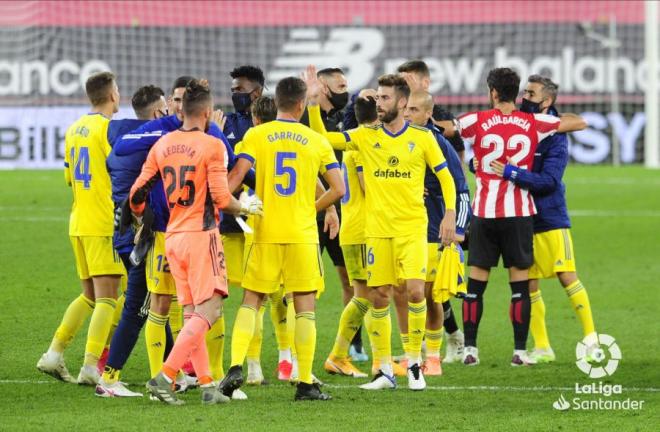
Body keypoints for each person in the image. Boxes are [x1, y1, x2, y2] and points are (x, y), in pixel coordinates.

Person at [306, 68, 457, 391]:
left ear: (403, 103)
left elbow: (446, 177)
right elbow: (322, 140)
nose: (378, 101)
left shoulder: (423, 138)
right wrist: (313, 102)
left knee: (416, 291)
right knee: (378, 297)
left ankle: (414, 363)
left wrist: (449, 214)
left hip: (413, 229)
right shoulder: (364, 136)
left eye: (385, 97)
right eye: (377, 95)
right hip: (376, 232)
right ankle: (385, 370)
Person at [131, 79, 263, 405]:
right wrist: (245, 206)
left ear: (182, 111)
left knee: (192, 314)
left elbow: (137, 194)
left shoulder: (161, 145)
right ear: (207, 112)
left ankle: (207, 386)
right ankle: (165, 377)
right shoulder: (211, 145)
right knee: (212, 309)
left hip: (173, 237)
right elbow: (221, 198)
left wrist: (140, 217)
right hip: (201, 237)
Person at [450, 67, 587, 366]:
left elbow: (448, 128)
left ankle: (471, 349)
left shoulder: (478, 120)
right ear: (515, 93)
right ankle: (520, 352)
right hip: (519, 215)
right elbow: (579, 122)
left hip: (485, 213)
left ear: (493, 92)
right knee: (520, 286)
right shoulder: (533, 122)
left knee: (475, 286)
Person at [220, 76, 344, 401]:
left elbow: (234, 178)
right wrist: (312, 209)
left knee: (252, 300)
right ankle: (304, 382)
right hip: (302, 234)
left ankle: (235, 366)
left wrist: (222, 204)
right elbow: (338, 188)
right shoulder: (315, 140)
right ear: (302, 104)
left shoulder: (256, 134)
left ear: (277, 102)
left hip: (264, 231)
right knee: (304, 306)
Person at [487, 74, 599, 362]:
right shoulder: (520, 122)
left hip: (550, 216)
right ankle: (542, 346)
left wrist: (512, 173)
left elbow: (549, 181)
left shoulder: (557, 140)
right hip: (520, 214)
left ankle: (591, 339)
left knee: (566, 275)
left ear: (546, 101)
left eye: (531, 94)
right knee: (529, 282)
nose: (525, 98)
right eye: (524, 92)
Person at [37, 72, 125, 385]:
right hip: (103, 224)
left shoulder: (74, 129)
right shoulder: (109, 130)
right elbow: (120, 173)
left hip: (78, 222)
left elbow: (68, 178)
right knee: (108, 298)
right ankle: (91, 366)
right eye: (117, 89)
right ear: (112, 95)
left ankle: (55, 353)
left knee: (89, 294)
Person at [96, 84, 171, 397]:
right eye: (167, 109)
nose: (170, 113)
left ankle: (172, 367)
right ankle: (109, 378)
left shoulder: (122, 136)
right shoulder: (153, 143)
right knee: (139, 306)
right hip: (141, 234)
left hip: (124, 231)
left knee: (156, 298)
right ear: (157, 114)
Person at [402, 91, 471, 375]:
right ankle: (413, 353)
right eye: (406, 109)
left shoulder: (437, 142)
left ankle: (432, 357)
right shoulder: (399, 138)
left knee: (430, 295)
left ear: (428, 114)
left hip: (432, 230)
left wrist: (457, 229)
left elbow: (461, 187)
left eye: (414, 110)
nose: (407, 114)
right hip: (402, 227)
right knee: (402, 292)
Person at [300, 67, 364, 359]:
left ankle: (353, 343)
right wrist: (325, 205)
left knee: (350, 280)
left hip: (345, 211)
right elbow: (312, 157)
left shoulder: (344, 119)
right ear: (323, 89)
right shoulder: (303, 118)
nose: (345, 91)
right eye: (340, 86)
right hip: (315, 209)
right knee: (307, 283)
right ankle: (298, 350)